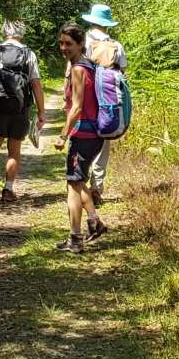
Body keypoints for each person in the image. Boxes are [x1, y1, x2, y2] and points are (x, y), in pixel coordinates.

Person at [55, 22, 109, 253]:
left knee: (73, 186)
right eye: (61, 43)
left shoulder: (78, 69)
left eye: (68, 44)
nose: (63, 48)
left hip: (84, 134)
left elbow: (76, 107)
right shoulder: (90, 65)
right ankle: (95, 223)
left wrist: (62, 135)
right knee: (78, 181)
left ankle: (75, 238)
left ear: (80, 44)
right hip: (94, 133)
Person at [0, 20, 42, 203]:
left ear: (4, 31)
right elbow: (36, 83)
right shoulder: (28, 53)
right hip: (20, 108)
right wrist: (41, 112)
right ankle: (8, 189)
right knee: (14, 150)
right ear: (22, 33)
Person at [78, 2, 126, 205]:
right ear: (107, 23)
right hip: (108, 98)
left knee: (82, 136)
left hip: (86, 95)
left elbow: (74, 69)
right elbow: (122, 73)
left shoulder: (83, 41)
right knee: (103, 139)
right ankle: (97, 187)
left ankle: (80, 181)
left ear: (92, 21)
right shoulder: (116, 45)